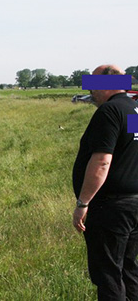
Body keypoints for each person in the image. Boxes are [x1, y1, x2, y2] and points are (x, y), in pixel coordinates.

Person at [72, 64, 138, 300]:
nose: (92, 92)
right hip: (133, 205)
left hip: (111, 207)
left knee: (108, 274)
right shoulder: (133, 110)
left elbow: (102, 162)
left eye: (95, 85)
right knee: (128, 268)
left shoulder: (109, 112)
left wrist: (82, 203)